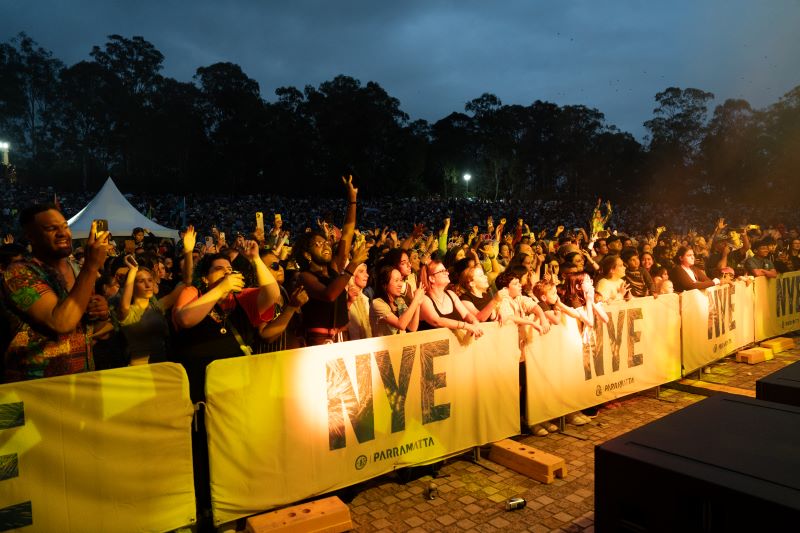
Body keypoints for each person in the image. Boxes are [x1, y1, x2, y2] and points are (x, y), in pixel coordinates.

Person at [2, 204, 111, 382]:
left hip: (79, 385)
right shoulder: (18, 273)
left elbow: (88, 331)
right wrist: (91, 267)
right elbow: (60, 323)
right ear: (31, 236)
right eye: (51, 228)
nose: (62, 233)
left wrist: (101, 314)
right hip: (32, 391)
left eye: (65, 226)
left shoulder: (77, 271)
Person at [292, 177, 368, 345]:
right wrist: (353, 264)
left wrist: (352, 200)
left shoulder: (334, 266)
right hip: (319, 340)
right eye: (318, 244)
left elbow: (348, 231)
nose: (326, 246)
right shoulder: (305, 276)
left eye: (325, 242)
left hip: (343, 336)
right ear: (307, 254)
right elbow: (329, 294)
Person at [562, 271, 609, 425]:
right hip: (571, 342)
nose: (591, 283)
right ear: (577, 285)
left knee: (582, 377)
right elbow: (589, 321)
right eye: (587, 281)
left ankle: (579, 407)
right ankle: (570, 412)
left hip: (584, 342)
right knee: (572, 377)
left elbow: (605, 318)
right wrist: (589, 301)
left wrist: (592, 301)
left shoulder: (587, 298)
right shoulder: (572, 299)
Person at [418, 260, 483, 337]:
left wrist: (474, 321)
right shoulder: (424, 299)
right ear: (432, 278)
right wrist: (466, 326)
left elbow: (466, 314)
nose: (447, 273)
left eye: (446, 270)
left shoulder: (451, 294)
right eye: (442, 271)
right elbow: (436, 321)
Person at [369, 265, 426, 336]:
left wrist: (418, 304)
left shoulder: (399, 301)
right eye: (396, 281)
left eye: (401, 280)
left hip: (399, 346)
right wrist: (416, 299)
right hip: (385, 346)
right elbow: (401, 324)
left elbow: (412, 327)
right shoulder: (377, 303)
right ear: (385, 284)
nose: (400, 284)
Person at [346, 263, 372, 340]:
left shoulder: (364, 299)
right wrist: (349, 302)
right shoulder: (345, 296)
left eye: (366, 272)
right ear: (352, 276)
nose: (367, 275)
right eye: (361, 271)